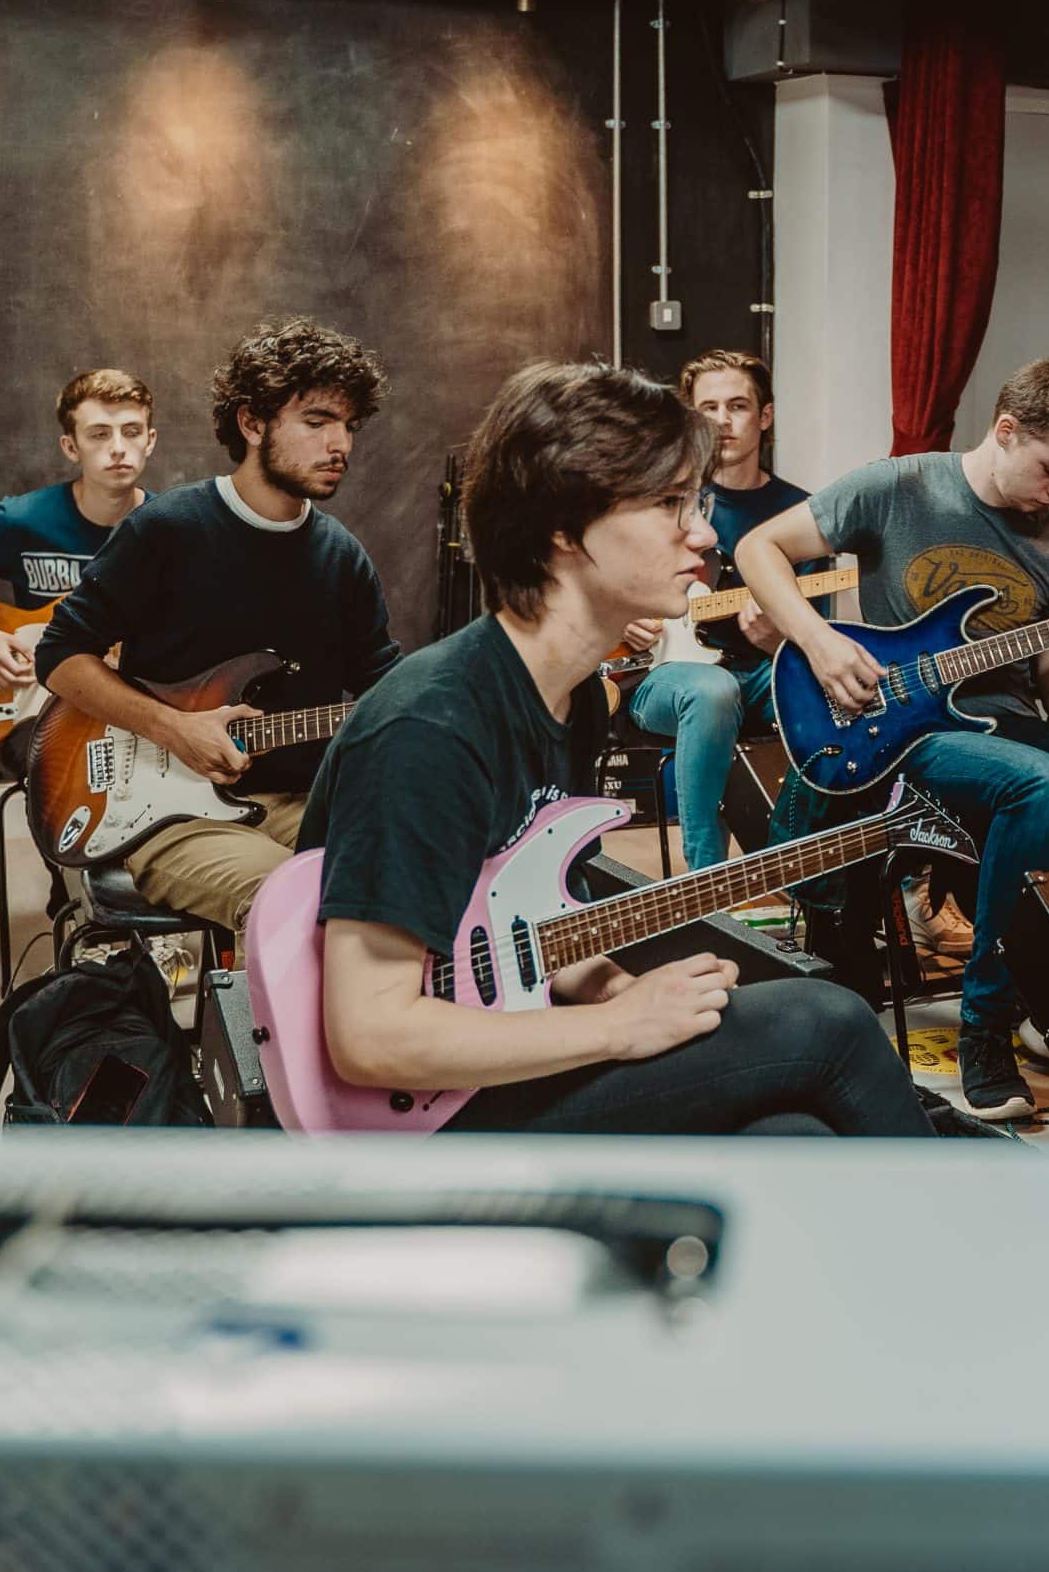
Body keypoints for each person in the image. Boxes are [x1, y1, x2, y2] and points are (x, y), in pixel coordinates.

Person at [297, 360, 934, 1138]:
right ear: (563, 529)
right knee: (825, 1022)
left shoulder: (569, 702)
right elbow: (369, 1035)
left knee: (794, 1138)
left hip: (494, 1057)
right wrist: (618, 1026)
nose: (703, 534)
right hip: (422, 1123)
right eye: (670, 504)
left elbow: (511, 920)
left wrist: (610, 985)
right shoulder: (431, 727)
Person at [735, 353, 1049, 1120]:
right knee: (1040, 782)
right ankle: (986, 1029)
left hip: (1010, 726)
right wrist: (819, 642)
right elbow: (756, 549)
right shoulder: (899, 487)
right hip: (904, 733)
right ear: (1006, 430)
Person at [34, 318, 398, 936]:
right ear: (251, 423)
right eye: (316, 421)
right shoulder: (168, 530)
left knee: (411, 875)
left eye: (349, 425)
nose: (340, 443)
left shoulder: (342, 557)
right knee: (293, 906)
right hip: (171, 814)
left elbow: (387, 686)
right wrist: (175, 729)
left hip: (303, 803)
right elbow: (60, 655)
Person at [618, 348, 827, 874]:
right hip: (662, 674)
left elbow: (816, 635)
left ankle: (814, 869)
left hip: (759, 676)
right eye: (707, 408)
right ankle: (705, 882)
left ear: (766, 416)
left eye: (737, 405)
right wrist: (621, 616)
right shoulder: (655, 499)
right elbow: (604, 583)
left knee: (836, 691)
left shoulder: (803, 515)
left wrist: (778, 641)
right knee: (712, 691)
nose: (722, 421)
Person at [0, 367, 157, 750]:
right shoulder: (23, 520)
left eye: (131, 431)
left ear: (149, 441)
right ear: (71, 447)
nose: (117, 447)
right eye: (99, 434)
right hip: (40, 709)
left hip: (129, 709)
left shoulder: (168, 530)